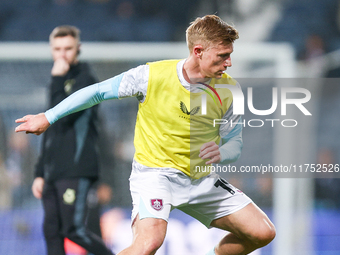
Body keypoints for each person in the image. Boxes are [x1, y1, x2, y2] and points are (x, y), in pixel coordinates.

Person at [15, 15, 275, 255]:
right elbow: (97, 91)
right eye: (222, 55)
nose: (228, 62)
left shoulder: (231, 90)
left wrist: (223, 152)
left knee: (262, 232)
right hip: (155, 175)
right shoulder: (151, 76)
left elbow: (235, 143)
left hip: (201, 179)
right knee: (148, 243)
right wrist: (48, 117)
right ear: (198, 51)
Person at [27, 25, 114, 255]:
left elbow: (63, 119)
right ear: (51, 50)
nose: (62, 54)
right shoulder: (58, 82)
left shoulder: (85, 80)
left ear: (78, 49)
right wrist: (39, 172)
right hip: (53, 170)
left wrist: (57, 79)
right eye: (57, 49)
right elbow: (51, 131)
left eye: (68, 48)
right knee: (51, 230)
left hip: (76, 169)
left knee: (74, 229)